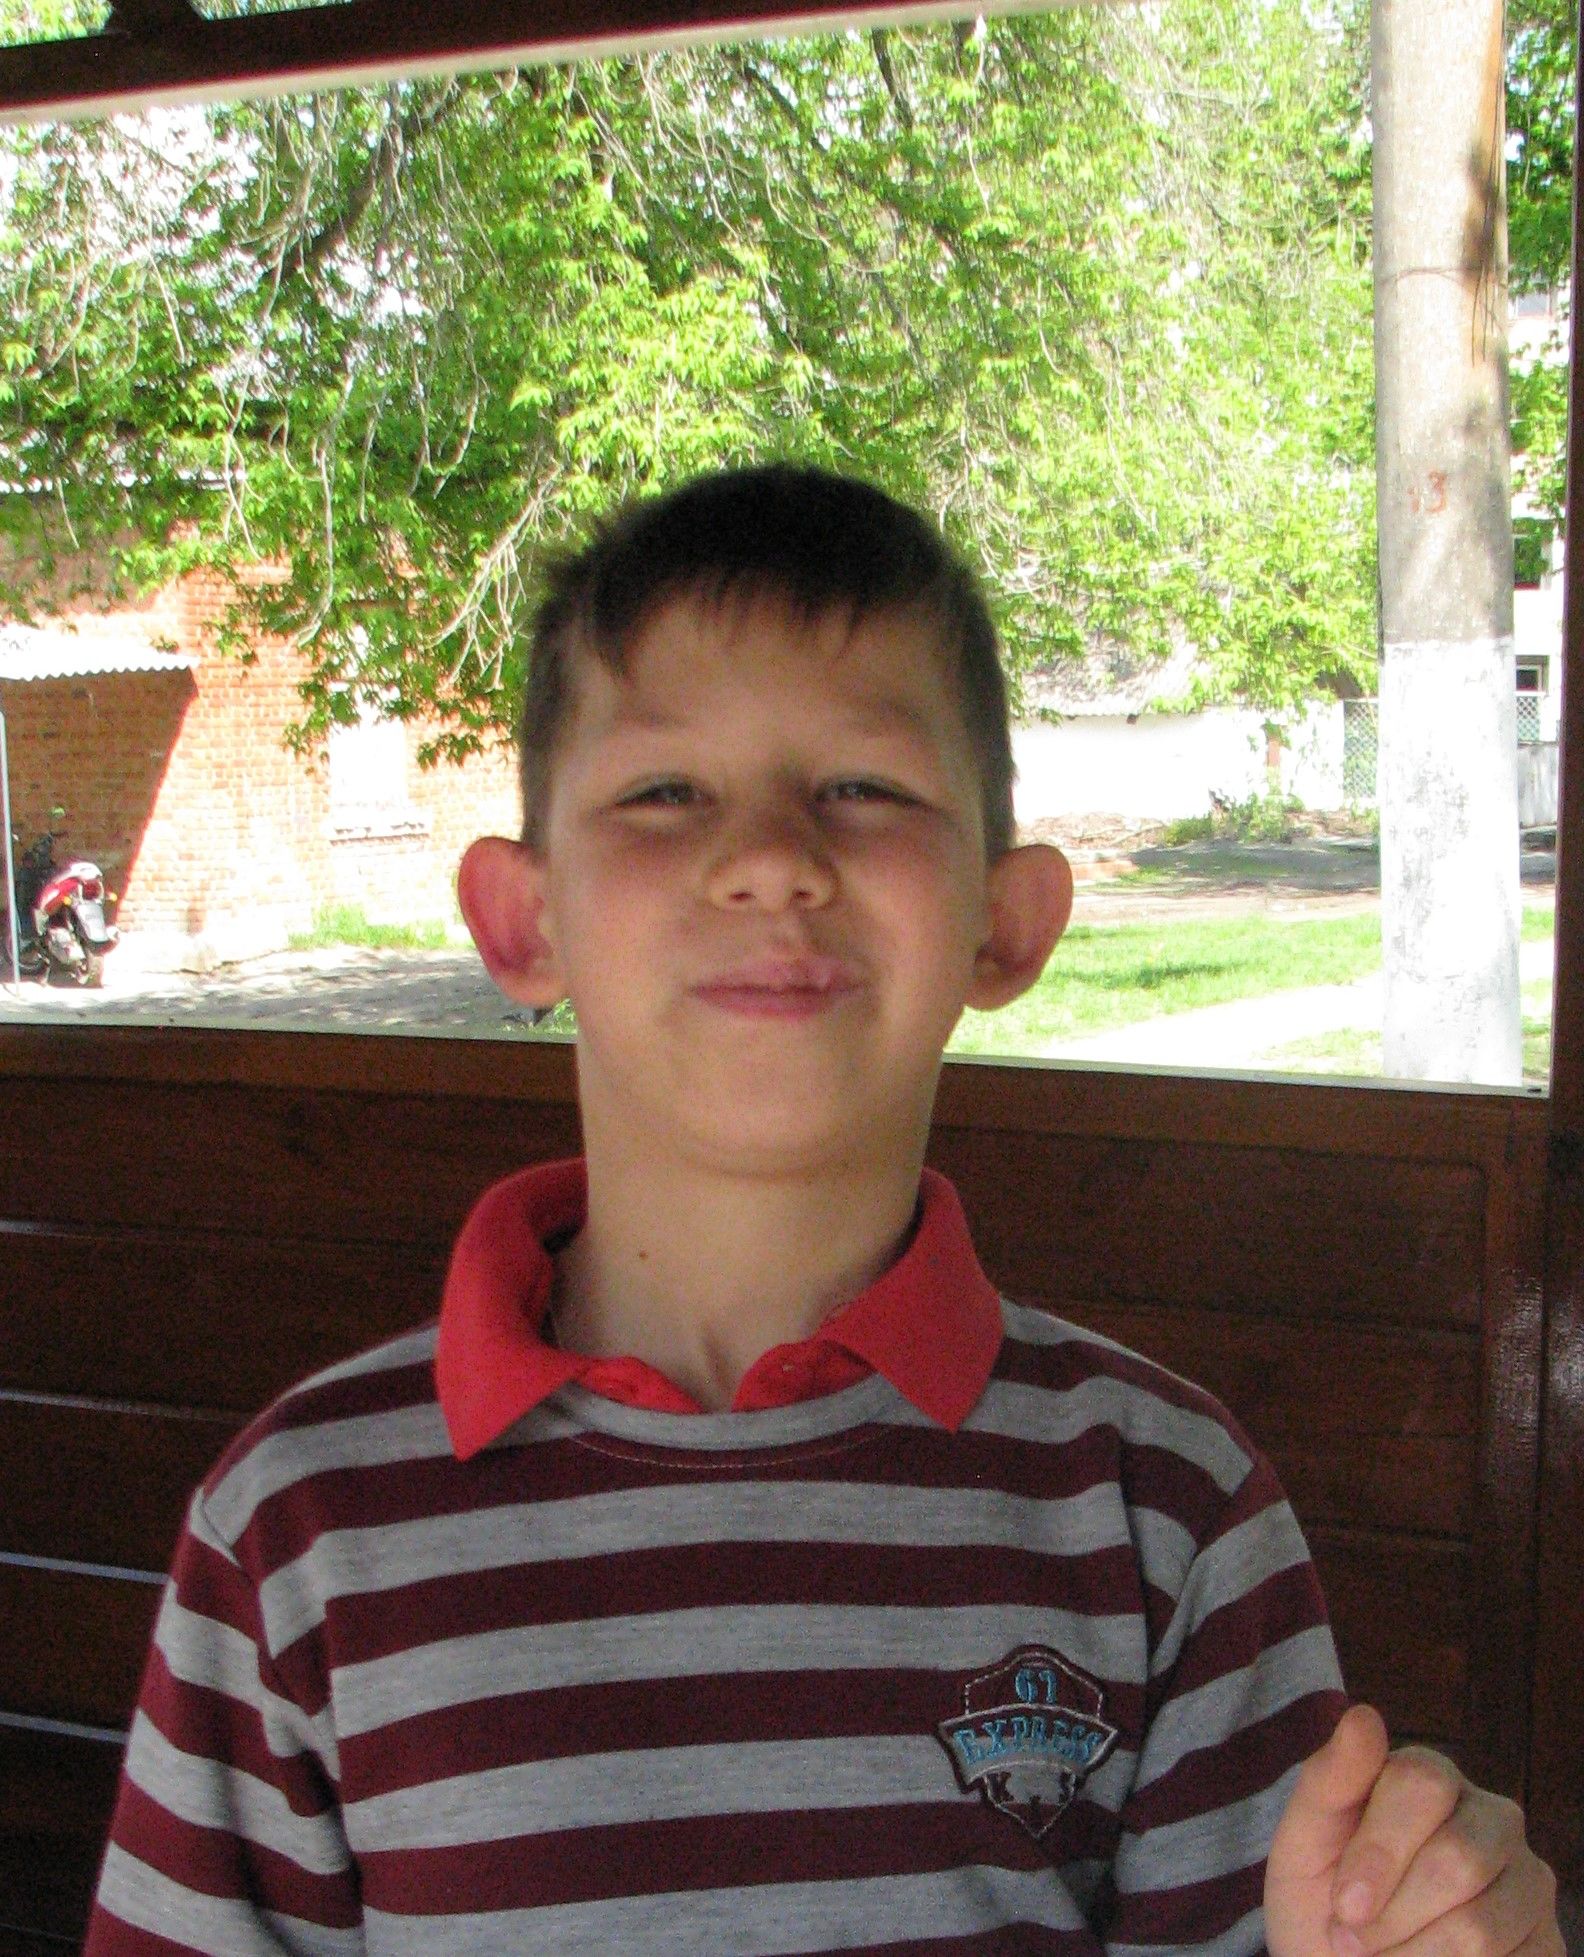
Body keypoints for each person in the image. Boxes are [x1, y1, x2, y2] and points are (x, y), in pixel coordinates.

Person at [84, 465, 1560, 1956]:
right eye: (665, 793)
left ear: (1006, 923)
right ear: (523, 920)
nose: (772, 860)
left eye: (864, 790)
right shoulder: (297, 1534)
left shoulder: (1165, 1510)